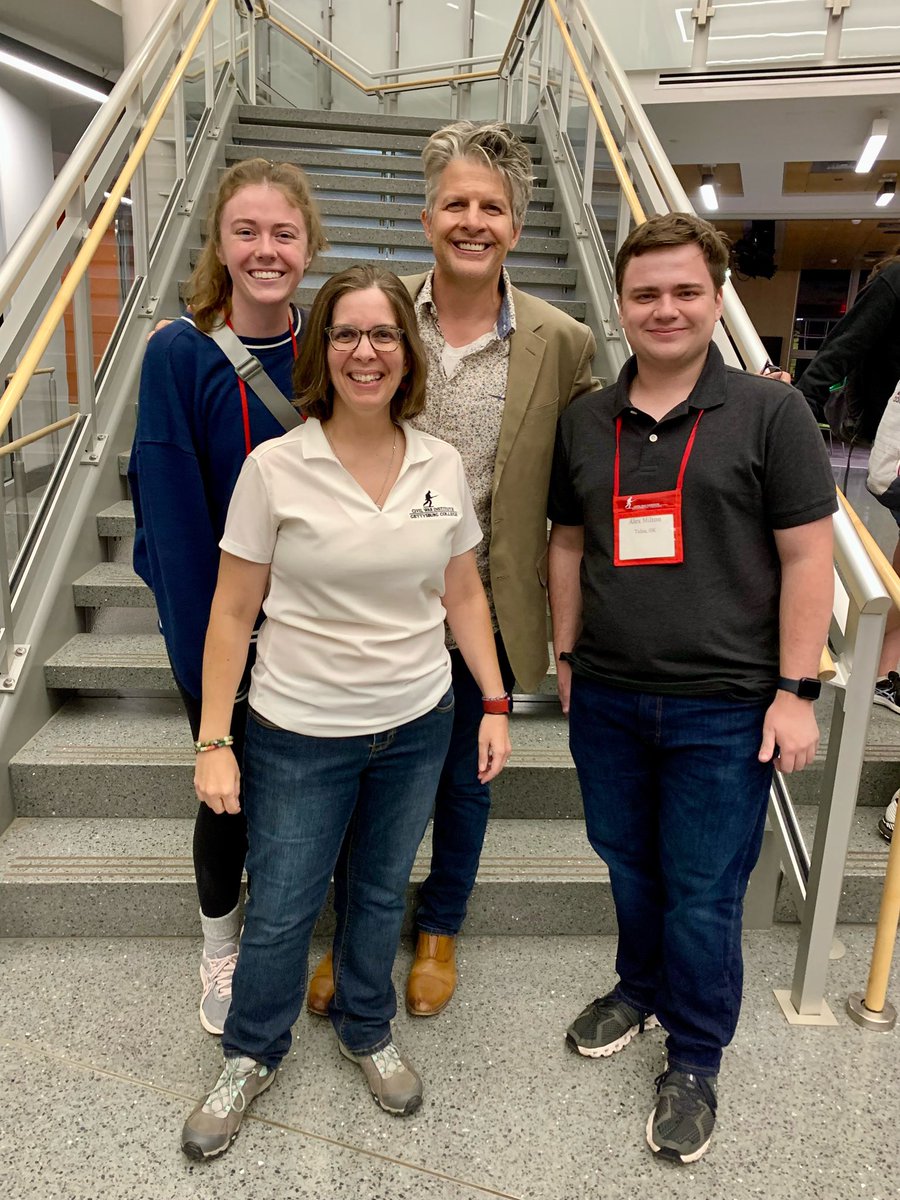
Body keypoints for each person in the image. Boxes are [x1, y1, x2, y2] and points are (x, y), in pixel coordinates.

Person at [180, 265, 512, 1160]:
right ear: (323, 350)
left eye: (385, 335)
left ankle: (367, 1026)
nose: (366, 352)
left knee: (376, 889)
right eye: (346, 334)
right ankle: (252, 1052)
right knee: (284, 904)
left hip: (416, 721)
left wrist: (492, 698)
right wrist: (215, 739)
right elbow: (230, 614)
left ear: (409, 352)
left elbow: (464, 595)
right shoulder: (276, 468)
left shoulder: (440, 463)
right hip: (298, 729)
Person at [547, 212, 836, 1164]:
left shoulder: (768, 412)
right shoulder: (588, 417)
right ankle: (638, 988)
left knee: (705, 890)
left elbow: (808, 559)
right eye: (645, 294)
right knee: (628, 862)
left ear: (718, 300)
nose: (664, 309)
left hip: (726, 705)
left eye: (685, 292)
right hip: (612, 695)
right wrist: (565, 652)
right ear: (620, 304)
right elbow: (570, 542)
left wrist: (798, 689)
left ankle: (696, 1055)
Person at [305, 120, 597, 1020]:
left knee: (467, 784)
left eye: (493, 207)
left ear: (517, 225)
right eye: (457, 204)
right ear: (428, 217)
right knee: (362, 781)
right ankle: (357, 925)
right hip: (374, 601)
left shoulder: (563, 340)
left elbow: (584, 484)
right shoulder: (382, 320)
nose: (474, 220)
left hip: (490, 608)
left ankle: (440, 929)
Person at [128, 158, 327, 1037]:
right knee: (228, 792)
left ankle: (295, 934)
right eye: (246, 231)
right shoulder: (179, 352)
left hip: (318, 630)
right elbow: (170, 520)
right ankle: (220, 942)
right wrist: (210, 658)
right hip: (224, 631)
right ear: (219, 242)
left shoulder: (333, 345)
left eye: (283, 233)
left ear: (310, 245)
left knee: (310, 795)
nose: (265, 249)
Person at [797, 254, 900, 727]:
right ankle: (883, 670)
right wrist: (794, 415)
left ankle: (884, 667)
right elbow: (844, 346)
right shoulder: (895, 282)